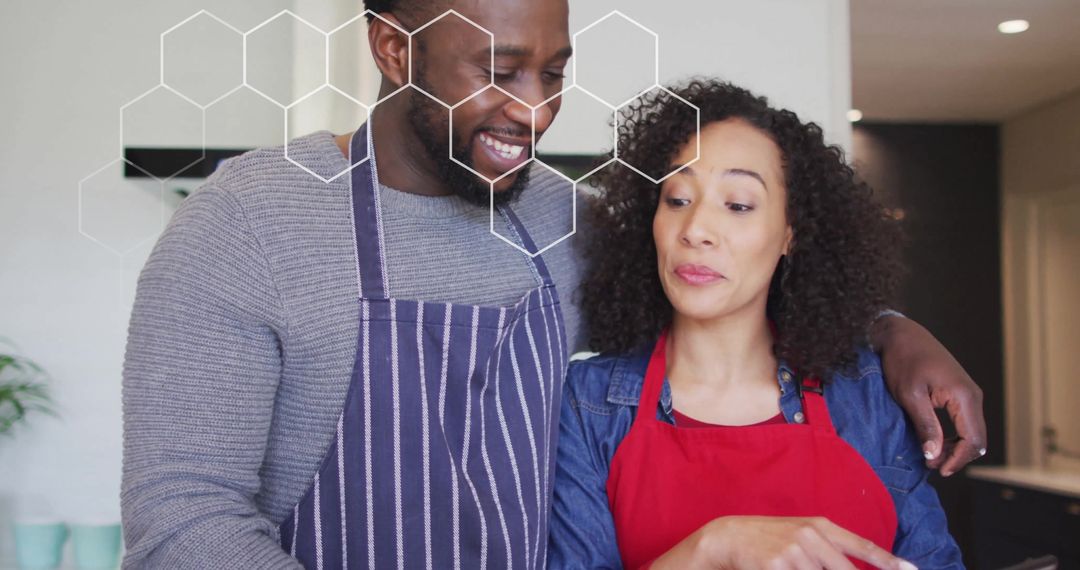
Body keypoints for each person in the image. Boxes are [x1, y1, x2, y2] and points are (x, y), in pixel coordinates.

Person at [121, 0, 984, 568]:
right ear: (393, 48)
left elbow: (725, 269)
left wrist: (889, 329)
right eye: (497, 72)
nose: (533, 112)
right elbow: (184, 518)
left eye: (554, 73)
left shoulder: (562, 223)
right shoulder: (250, 223)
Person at [548, 80, 964, 569]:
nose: (696, 230)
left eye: (738, 205)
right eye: (677, 199)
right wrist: (712, 549)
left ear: (790, 232)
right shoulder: (589, 404)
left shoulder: (866, 395)